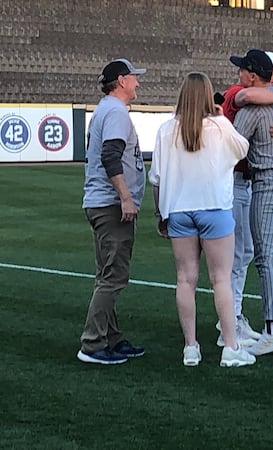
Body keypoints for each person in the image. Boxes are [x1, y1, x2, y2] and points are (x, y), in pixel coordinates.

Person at [148, 72, 255, 368]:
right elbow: (242, 149)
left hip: (180, 210)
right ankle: (231, 347)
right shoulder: (220, 126)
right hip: (214, 209)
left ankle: (191, 347)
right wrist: (223, 119)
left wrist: (160, 213)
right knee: (221, 278)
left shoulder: (166, 129)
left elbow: (156, 177)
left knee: (185, 279)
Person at [216, 49, 273, 350]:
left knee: (266, 259)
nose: (239, 75)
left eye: (243, 70)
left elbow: (232, 146)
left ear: (253, 75)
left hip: (268, 181)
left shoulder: (250, 108)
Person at [77, 58, 147, 365]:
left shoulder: (105, 109)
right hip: (110, 205)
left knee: (106, 274)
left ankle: (111, 337)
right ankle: (93, 343)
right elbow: (111, 156)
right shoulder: (116, 111)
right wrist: (126, 198)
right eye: (133, 78)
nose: (137, 83)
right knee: (113, 277)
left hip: (100, 202)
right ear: (121, 80)